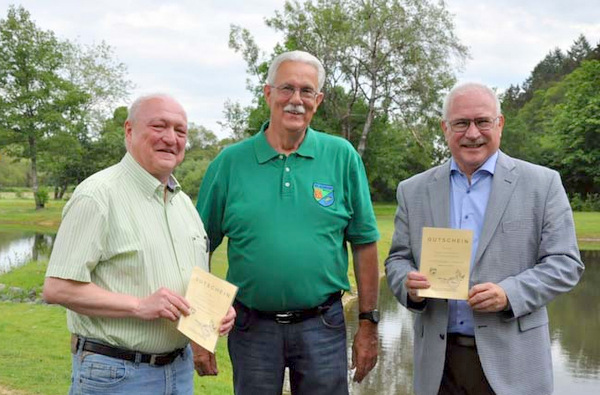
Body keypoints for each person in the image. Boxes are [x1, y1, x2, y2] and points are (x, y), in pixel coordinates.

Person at [195, 50, 380, 394]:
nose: (296, 100)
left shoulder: (342, 157)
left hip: (322, 325)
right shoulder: (229, 163)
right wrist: (202, 327)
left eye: (306, 91)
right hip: (251, 327)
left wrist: (368, 324)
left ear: (318, 100)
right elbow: (199, 244)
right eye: (286, 89)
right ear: (268, 93)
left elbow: (365, 242)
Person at [385, 82, 584, 395]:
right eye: (461, 123)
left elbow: (565, 263)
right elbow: (398, 259)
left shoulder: (542, 184)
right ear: (445, 128)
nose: (472, 133)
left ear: (500, 124)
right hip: (438, 364)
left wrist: (510, 294)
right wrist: (408, 286)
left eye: (482, 122)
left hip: (514, 362)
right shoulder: (413, 190)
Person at [43, 94, 236, 395]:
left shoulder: (183, 204)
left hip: (179, 370)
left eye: (180, 131)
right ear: (129, 131)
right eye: (159, 126)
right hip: (117, 374)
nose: (171, 138)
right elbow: (57, 288)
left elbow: (191, 281)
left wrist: (213, 313)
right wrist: (139, 305)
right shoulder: (97, 196)